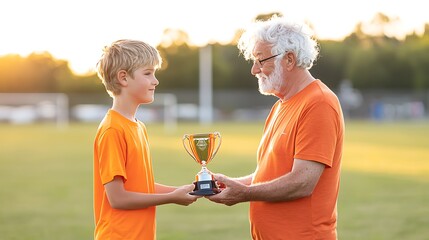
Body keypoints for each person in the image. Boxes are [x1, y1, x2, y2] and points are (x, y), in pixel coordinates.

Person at [207, 16, 344, 240]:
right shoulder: (281, 105)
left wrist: (245, 194)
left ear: (289, 59)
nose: (254, 70)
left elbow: (302, 182)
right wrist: (228, 184)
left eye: (261, 60)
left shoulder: (319, 102)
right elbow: (270, 174)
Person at [93, 39, 199, 240]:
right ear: (123, 78)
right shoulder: (112, 129)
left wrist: (182, 190)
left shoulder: (138, 126)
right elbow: (118, 198)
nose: (156, 81)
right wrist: (170, 198)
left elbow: (140, 186)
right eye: (148, 73)